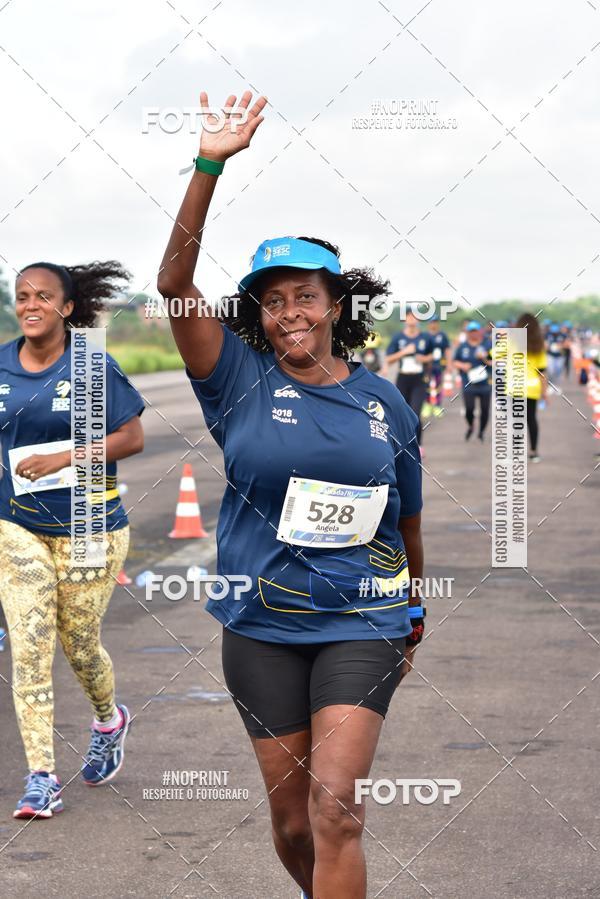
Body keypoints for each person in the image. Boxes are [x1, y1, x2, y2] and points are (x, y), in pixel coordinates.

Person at [158, 90, 426, 899]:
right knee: (294, 823)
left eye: (305, 295)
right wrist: (209, 164)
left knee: (336, 806)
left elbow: (405, 511)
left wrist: (416, 600)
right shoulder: (235, 379)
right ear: (259, 314)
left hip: (363, 616)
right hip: (261, 622)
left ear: (336, 302)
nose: (289, 313)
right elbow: (174, 281)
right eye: (273, 301)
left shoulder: (386, 403)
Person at [0, 261, 144, 819]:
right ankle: (41, 776)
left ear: (65, 307)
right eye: (21, 296)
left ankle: (109, 719)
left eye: (42, 296)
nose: (30, 305)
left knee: (78, 645)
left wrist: (64, 455)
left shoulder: (90, 365)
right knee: (30, 644)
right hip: (15, 523)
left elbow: (130, 436)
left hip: (90, 523)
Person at [385, 309, 433, 447]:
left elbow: (432, 356)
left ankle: (418, 445)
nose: (411, 320)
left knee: (415, 414)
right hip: (403, 379)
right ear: (404, 320)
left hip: (419, 379)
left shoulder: (425, 337)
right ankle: (403, 444)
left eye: (414, 317)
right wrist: (404, 352)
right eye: (409, 317)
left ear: (418, 320)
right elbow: (389, 359)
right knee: (401, 414)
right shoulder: (398, 337)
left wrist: (423, 358)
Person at [513, 313, 547, 463]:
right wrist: (544, 393)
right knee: (531, 419)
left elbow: (493, 355)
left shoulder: (512, 342)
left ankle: (516, 451)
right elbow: (542, 372)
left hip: (515, 386)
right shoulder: (539, 345)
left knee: (517, 419)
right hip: (533, 387)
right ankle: (534, 451)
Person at [453, 320, 492, 441]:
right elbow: (455, 361)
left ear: (480, 332)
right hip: (468, 384)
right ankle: (471, 426)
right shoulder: (463, 346)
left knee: (485, 409)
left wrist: (484, 358)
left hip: (485, 383)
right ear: (467, 333)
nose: (473, 334)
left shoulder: (488, 345)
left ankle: (481, 431)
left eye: (475, 331)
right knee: (469, 408)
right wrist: (462, 366)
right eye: (471, 331)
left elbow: (497, 362)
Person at [426, 315, 451, 414]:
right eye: (432, 322)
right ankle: (427, 405)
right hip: (427, 365)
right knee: (426, 384)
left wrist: (449, 363)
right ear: (429, 324)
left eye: (435, 322)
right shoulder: (425, 335)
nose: (434, 324)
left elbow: (447, 350)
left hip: (439, 364)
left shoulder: (442, 335)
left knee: (438, 384)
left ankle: (437, 406)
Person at [546, 323, 565, 390]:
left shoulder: (562, 335)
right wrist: (547, 346)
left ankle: (557, 386)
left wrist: (561, 346)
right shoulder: (548, 334)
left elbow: (567, 343)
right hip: (550, 355)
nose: (554, 334)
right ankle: (550, 385)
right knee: (551, 371)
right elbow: (545, 344)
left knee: (558, 371)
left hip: (559, 356)